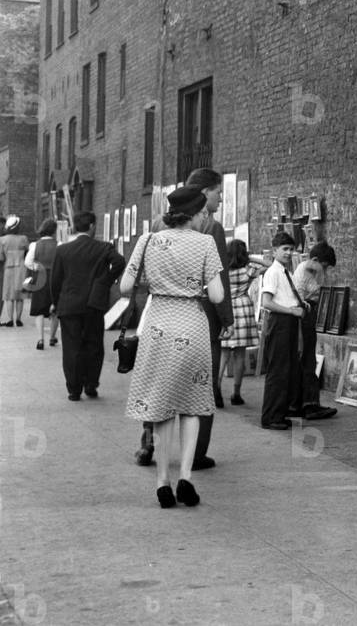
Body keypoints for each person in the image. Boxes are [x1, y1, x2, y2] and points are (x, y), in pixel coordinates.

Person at [122, 186, 225, 508]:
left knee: (162, 405)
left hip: (157, 323)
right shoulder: (205, 242)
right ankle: (186, 479)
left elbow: (126, 286)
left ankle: (162, 482)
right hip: (191, 325)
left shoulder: (148, 240)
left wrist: (157, 281)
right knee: (192, 405)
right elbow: (219, 296)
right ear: (198, 213)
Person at [136, 167, 233, 469]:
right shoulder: (211, 227)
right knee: (199, 384)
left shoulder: (156, 224)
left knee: (157, 380)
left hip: (160, 313)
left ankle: (148, 444)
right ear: (205, 193)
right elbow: (219, 279)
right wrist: (227, 319)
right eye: (219, 192)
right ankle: (196, 453)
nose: (221, 199)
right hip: (197, 315)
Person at [50, 212, 126, 401]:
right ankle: (91, 384)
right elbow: (119, 262)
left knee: (71, 347)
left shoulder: (63, 250)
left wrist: (56, 302)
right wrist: (104, 282)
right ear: (92, 226)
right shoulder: (103, 247)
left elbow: (55, 280)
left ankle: (74, 389)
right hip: (94, 304)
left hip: (69, 304)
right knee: (93, 344)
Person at [260, 231, 307, 430]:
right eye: (284, 249)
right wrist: (291, 310)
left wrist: (300, 304)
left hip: (288, 323)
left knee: (286, 370)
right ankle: (270, 417)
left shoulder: (284, 272)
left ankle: (280, 413)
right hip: (279, 323)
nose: (288, 253)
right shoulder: (273, 272)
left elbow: (285, 295)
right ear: (275, 251)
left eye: (291, 249)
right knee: (277, 371)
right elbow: (267, 302)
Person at [291, 241, 338, 420]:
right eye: (324, 266)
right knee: (308, 360)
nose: (324, 271)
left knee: (307, 360)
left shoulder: (312, 269)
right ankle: (309, 405)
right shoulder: (305, 271)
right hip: (303, 316)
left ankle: (303, 403)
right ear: (316, 259)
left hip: (308, 314)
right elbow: (298, 299)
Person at [219, 239, 268, 405]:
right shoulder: (247, 269)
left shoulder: (222, 270)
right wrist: (251, 258)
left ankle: (216, 389)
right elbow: (269, 265)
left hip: (225, 309)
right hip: (243, 307)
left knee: (223, 352)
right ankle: (236, 393)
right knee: (240, 353)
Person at [25, 219, 59, 350]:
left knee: (39, 308)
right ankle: (52, 337)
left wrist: (36, 267)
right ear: (54, 231)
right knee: (55, 307)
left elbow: (27, 262)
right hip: (55, 277)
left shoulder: (35, 245)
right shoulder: (59, 244)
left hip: (40, 277)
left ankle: (40, 339)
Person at [0, 215, 30, 326]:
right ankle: (18, 319)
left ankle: (9, 320)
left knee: (9, 296)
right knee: (20, 296)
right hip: (22, 268)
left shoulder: (2, 240)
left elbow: (1, 257)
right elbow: (28, 252)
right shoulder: (24, 238)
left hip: (8, 268)